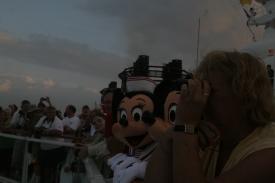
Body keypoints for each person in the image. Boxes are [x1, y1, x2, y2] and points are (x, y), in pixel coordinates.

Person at [145, 51, 275, 183]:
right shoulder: (211, 137)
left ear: (246, 96)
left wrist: (185, 126)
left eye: (209, 91)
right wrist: (171, 137)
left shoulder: (269, 152)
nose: (200, 100)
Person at [35, 106, 64, 183]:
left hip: (54, 150)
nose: (51, 114)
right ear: (46, 113)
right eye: (49, 112)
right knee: (40, 168)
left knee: (49, 170)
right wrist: (44, 130)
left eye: (53, 112)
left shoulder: (58, 121)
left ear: (55, 113)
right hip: (43, 149)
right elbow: (36, 128)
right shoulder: (43, 119)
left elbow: (59, 132)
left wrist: (47, 131)